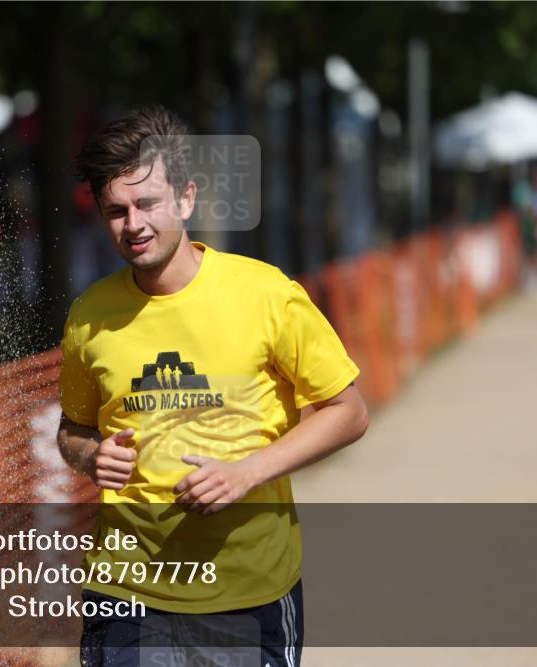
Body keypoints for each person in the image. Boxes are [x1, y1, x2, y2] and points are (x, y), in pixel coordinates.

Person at [57, 105, 368, 667]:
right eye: (116, 211)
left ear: (186, 198)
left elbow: (347, 410)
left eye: (147, 203)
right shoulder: (89, 316)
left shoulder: (267, 294)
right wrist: (88, 455)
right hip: (128, 591)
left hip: (248, 594)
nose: (134, 225)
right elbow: (73, 428)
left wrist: (247, 471)